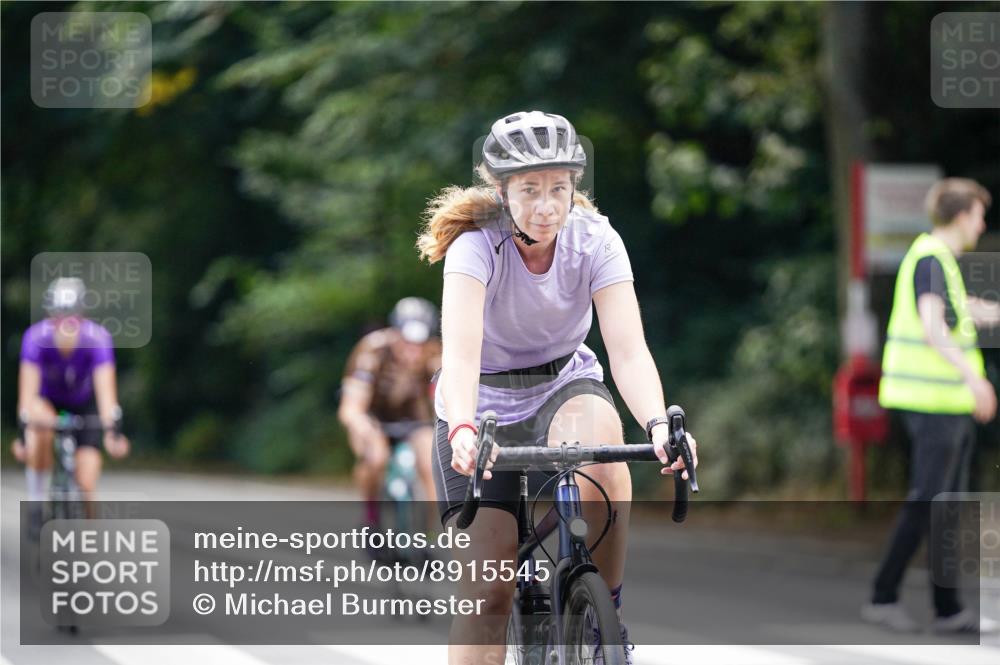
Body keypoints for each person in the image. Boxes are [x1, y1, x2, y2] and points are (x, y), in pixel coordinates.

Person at [417, 110, 697, 665]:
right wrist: (467, 426)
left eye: (559, 189)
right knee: (487, 596)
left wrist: (660, 425)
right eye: (529, 191)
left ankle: (604, 620)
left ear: (574, 188)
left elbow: (628, 349)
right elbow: (463, 352)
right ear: (501, 191)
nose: (547, 206)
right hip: (482, 404)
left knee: (607, 461)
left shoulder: (596, 239)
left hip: (562, 387)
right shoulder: (477, 245)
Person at [863, 178, 1000, 634]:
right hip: (932, 401)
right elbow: (932, 325)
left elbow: (962, 311)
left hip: (947, 402)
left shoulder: (942, 262)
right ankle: (883, 597)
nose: (981, 225)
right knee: (928, 501)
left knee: (947, 505)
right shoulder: (930, 258)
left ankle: (947, 610)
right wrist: (973, 377)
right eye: (979, 215)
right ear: (962, 216)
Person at [13, 277, 130, 530]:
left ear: (82, 316)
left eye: (72, 319)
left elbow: (106, 393)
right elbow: (28, 394)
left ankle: (91, 537)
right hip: (47, 402)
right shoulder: (35, 338)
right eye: (59, 318)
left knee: (86, 483)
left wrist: (113, 433)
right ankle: (36, 504)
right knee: (40, 428)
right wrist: (24, 436)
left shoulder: (97, 339)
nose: (65, 326)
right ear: (50, 316)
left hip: (83, 403)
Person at [338, 297, 442, 531]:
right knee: (375, 457)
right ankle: (372, 520)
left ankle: (428, 535)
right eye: (406, 344)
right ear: (394, 334)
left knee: (433, 464)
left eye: (419, 345)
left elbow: (446, 399)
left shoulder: (435, 354)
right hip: (374, 418)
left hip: (415, 420)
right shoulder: (372, 350)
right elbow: (351, 407)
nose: (412, 353)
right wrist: (362, 427)